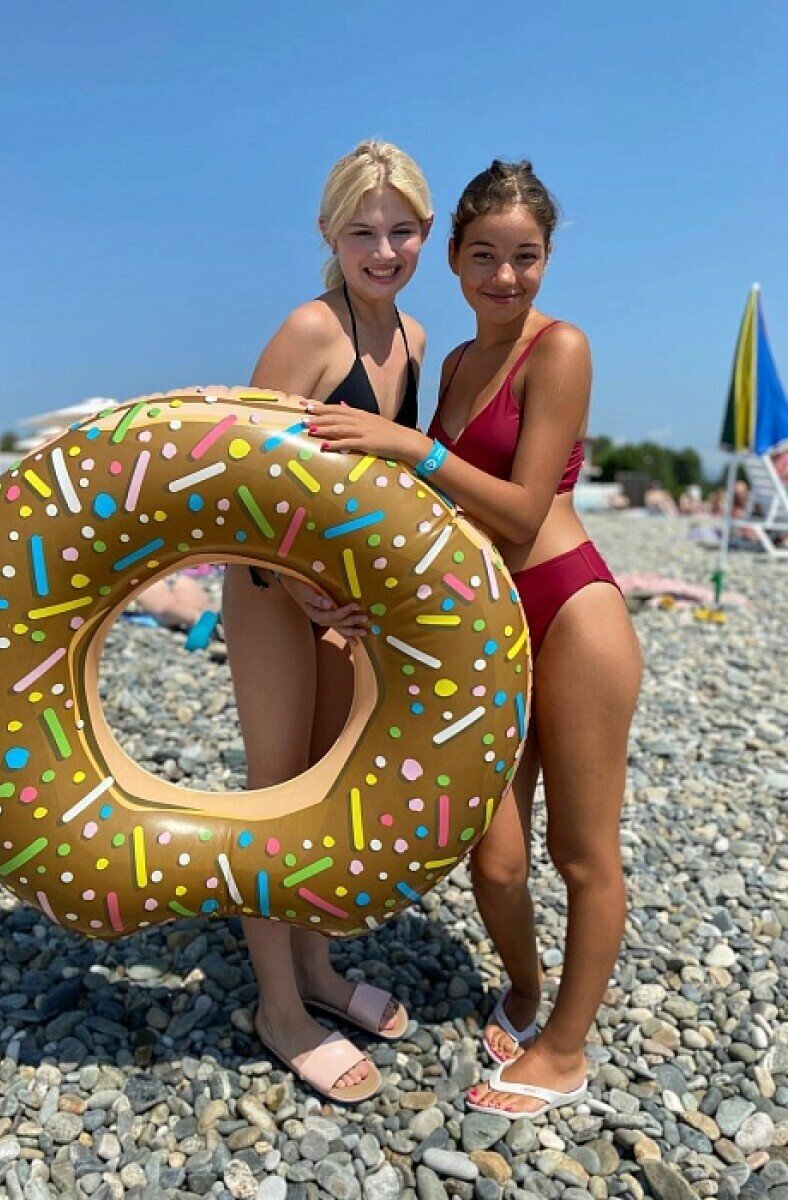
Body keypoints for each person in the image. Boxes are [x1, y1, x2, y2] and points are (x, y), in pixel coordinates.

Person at [303, 159, 642, 1118]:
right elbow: (431, 510)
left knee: (583, 853)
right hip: (485, 627)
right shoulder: (451, 364)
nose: (505, 276)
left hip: (569, 611)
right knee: (493, 857)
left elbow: (525, 510)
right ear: (452, 257)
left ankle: (566, 1051)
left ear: (547, 259)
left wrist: (416, 448)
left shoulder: (560, 349)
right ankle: (526, 989)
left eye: (525, 256)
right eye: (485, 255)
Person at [220, 140, 433, 1102]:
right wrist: (301, 588)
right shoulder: (310, 331)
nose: (382, 251)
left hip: (345, 599)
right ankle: (279, 1008)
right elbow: (235, 482)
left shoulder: (415, 339)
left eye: (401, 231)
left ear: (425, 232)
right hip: (274, 589)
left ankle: (315, 969)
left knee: (327, 789)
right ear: (328, 235)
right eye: (362, 233)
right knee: (276, 793)